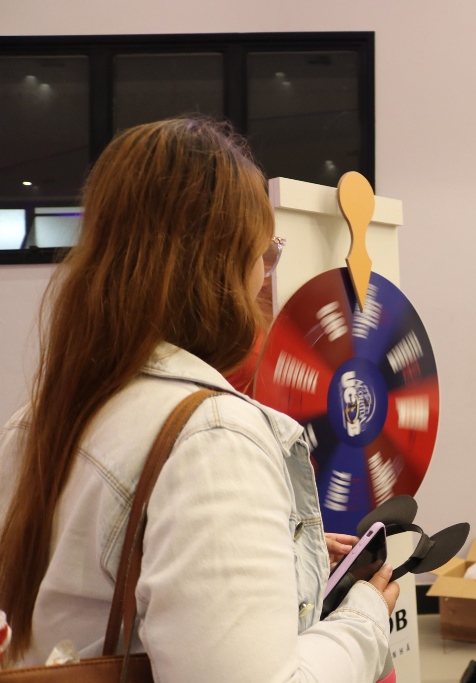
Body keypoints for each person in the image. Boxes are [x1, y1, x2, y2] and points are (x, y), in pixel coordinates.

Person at [0, 117, 398, 681]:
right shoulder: (213, 439)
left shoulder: (36, 420)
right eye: (265, 253)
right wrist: (365, 619)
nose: (266, 276)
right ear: (221, 265)